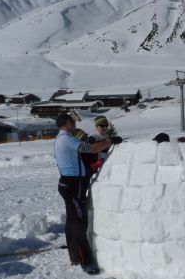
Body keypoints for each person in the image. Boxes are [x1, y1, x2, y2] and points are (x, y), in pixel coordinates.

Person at [54, 114, 117, 275]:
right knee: (80, 224)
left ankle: (74, 255)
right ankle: (86, 262)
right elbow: (91, 148)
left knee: (72, 220)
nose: (75, 124)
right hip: (74, 185)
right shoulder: (67, 139)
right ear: (68, 123)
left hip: (70, 183)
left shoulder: (62, 138)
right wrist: (110, 142)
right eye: (73, 122)